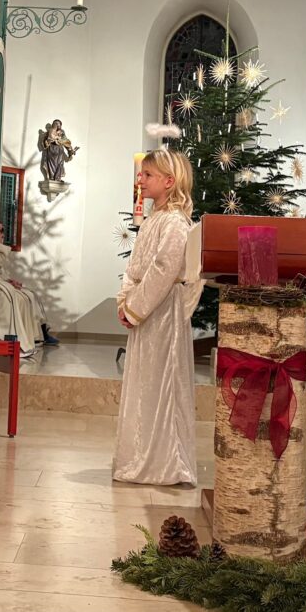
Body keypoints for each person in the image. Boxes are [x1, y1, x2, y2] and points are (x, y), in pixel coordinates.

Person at [113, 148, 201, 486]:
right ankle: (140, 455)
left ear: (169, 181)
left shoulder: (176, 223)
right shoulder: (152, 220)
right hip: (144, 311)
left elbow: (164, 270)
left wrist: (134, 307)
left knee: (162, 386)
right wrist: (125, 301)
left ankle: (166, 463)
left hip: (162, 314)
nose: (141, 179)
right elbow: (135, 267)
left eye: (148, 175)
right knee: (145, 387)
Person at [0, 223, 58, 353]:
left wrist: (9, 280)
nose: (3, 234)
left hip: (0, 282)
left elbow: (0, 272)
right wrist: (7, 282)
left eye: (3, 231)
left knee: (30, 294)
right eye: (0, 230)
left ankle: (39, 334)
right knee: (21, 298)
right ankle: (24, 337)